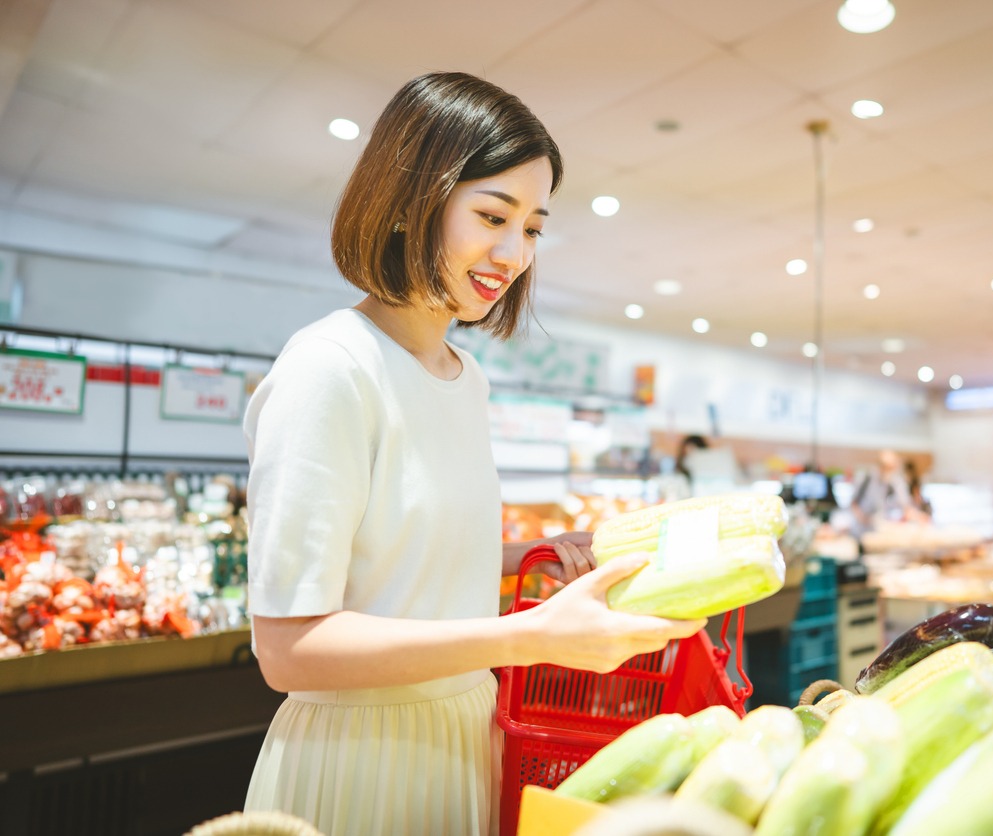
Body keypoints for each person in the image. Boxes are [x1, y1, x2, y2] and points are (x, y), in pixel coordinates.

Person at [240, 72, 705, 836]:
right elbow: (289, 648)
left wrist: (546, 553)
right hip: (362, 760)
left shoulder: (467, 377)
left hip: (466, 738)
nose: (514, 253)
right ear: (408, 201)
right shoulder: (331, 367)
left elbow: (407, 566)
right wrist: (528, 636)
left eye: (532, 228)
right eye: (492, 215)